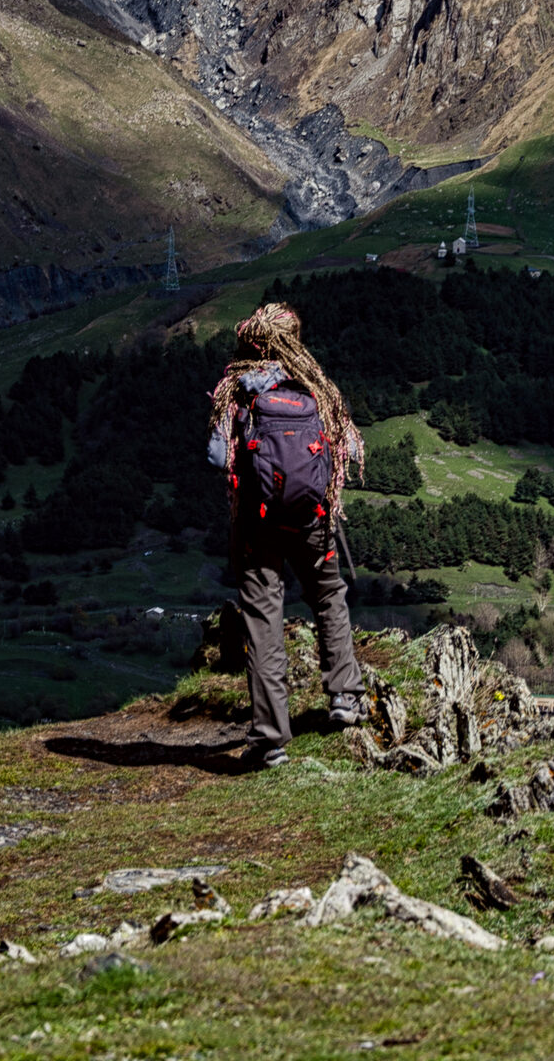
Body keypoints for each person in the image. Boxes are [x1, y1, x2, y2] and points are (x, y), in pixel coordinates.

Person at [207, 302, 367, 766]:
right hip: (312, 518)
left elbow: (216, 457)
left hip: (256, 523)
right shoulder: (317, 386)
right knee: (328, 596)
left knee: (263, 620)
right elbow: (350, 447)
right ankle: (344, 696)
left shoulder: (235, 389)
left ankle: (270, 739)